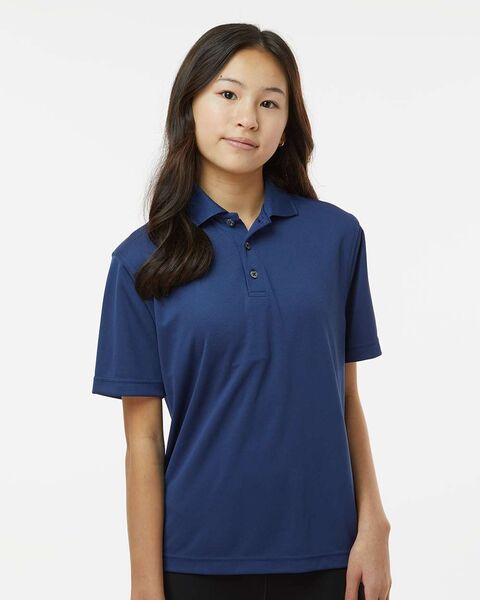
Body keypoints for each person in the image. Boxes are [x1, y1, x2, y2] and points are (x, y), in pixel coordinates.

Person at [92, 22, 392, 600]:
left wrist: (373, 525)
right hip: (196, 559)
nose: (247, 118)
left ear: (288, 124)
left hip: (329, 552)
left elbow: (347, 397)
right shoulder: (141, 261)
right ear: (190, 106)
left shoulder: (337, 238)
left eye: (269, 102)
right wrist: (145, 587)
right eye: (228, 94)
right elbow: (143, 442)